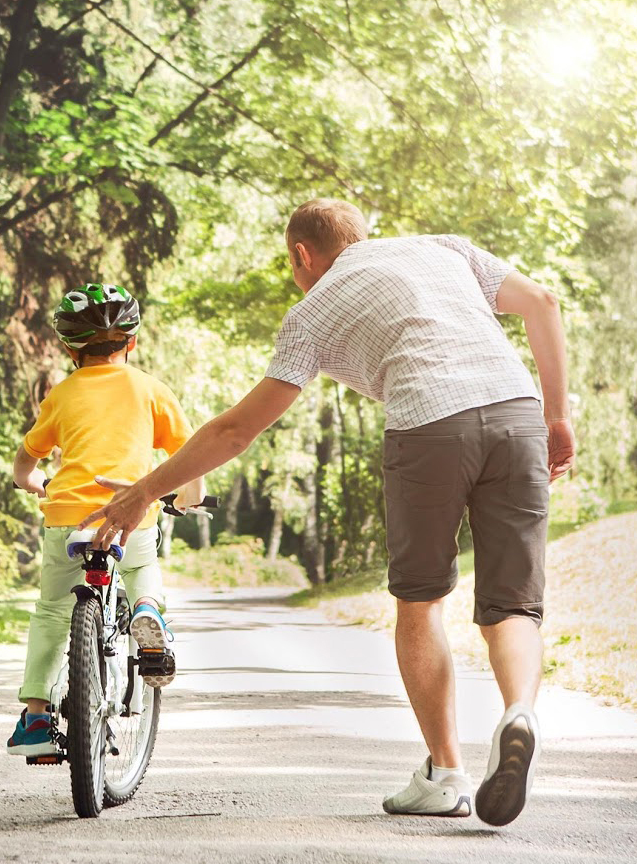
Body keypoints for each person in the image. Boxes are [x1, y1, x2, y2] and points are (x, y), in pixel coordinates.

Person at [81, 200, 575, 826]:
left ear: (301, 256)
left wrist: (145, 488)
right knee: (513, 605)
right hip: (515, 413)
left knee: (420, 601)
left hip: (428, 424)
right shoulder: (443, 246)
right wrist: (557, 416)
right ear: (360, 236)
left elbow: (236, 431)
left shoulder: (313, 309)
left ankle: (446, 773)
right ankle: (519, 712)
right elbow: (543, 304)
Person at [5, 282, 204, 757]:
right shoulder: (151, 390)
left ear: (69, 347)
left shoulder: (61, 394)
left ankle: (35, 719)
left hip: (69, 520)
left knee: (53, 610)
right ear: (131, 341)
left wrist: (31, 481)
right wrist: (189, 498)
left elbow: (26, 459)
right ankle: (147, 612)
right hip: (131, 516)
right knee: (139, 567)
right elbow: (189, 456)